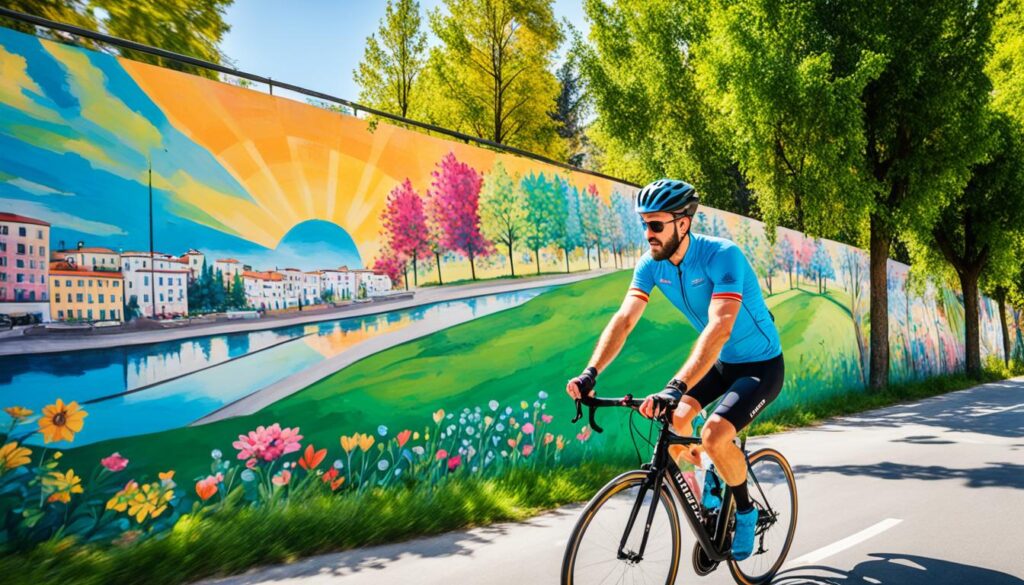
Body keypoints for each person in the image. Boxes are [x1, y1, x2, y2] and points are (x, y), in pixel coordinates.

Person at [565, 179, 784, 561]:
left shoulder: (722, 256)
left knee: (715, 434)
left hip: (761, 365)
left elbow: (719, 328)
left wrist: (675, 385)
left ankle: (746, 512)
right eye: (644, 224)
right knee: (677, 423)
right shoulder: (652, 266)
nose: (648, 233)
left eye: (656, 225)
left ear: (683, 224)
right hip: (722, 363)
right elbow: (624, 320)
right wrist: (590, 373)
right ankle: (712, 490)